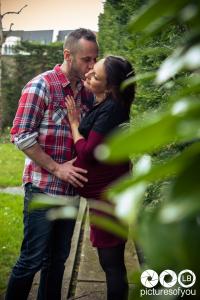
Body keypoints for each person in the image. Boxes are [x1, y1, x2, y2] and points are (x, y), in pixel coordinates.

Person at [5, 28, 98, 300]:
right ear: (68, 55)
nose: (92, 66)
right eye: (86, 60)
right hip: (43, 190)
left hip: (70, 192)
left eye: (96, 59)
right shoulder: (41, 86)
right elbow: (20, 135)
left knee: (57, 262)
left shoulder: (86, 92)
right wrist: (58, 168)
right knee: (31, 260)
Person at [65, 55, 135, 300]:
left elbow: (88, 152)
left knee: (112, 264)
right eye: (91, 70)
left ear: (110, 87)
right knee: (110, 263)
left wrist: (74, 124)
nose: (87, 75)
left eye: (95, 75)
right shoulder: (107, 104)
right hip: (103, 199)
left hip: (109, 200)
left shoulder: (113, 108)